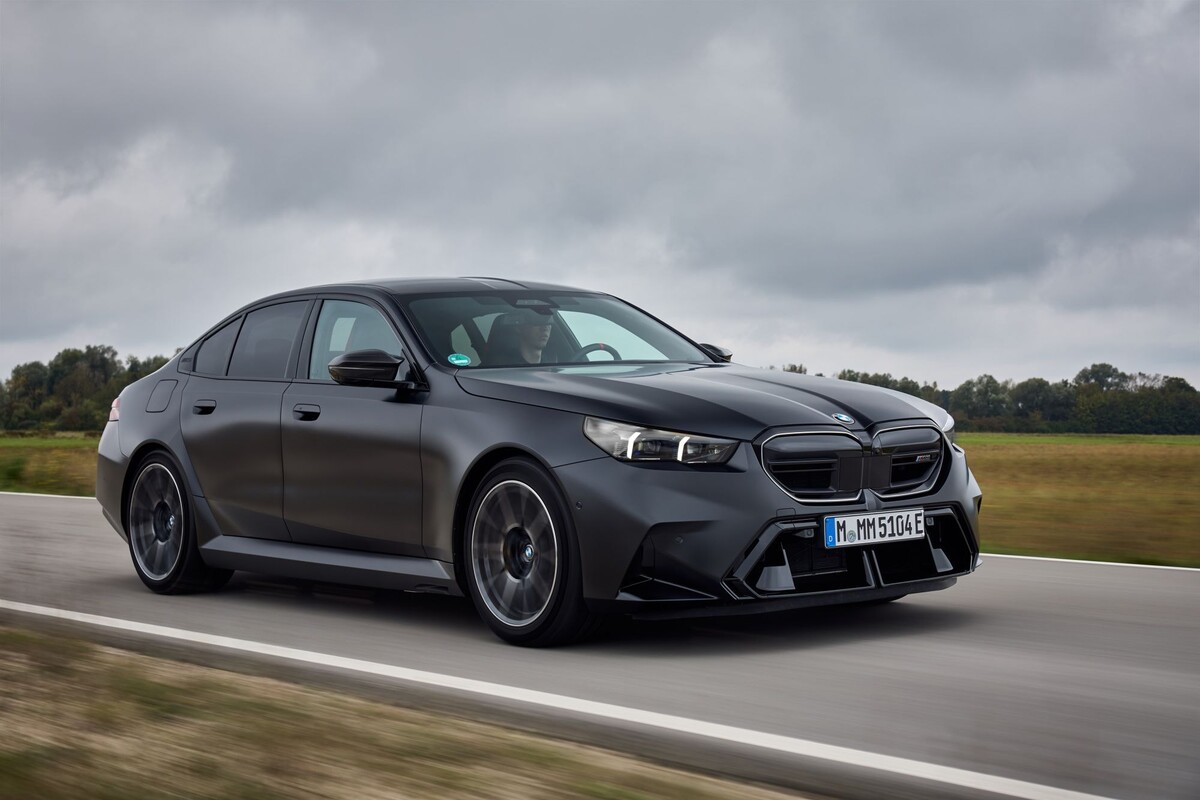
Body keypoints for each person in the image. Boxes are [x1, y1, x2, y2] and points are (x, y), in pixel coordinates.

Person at [486, 310, 554, 364]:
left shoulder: (555, 366)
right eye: (537, 322)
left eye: (548, 321)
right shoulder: (499, 369)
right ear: (518, 328)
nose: (545, 328)